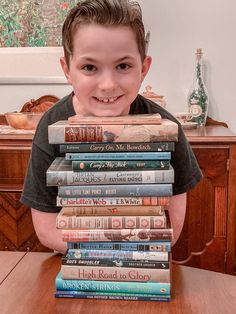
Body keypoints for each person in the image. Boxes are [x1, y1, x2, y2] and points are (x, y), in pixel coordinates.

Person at [20, 0, 202, 254]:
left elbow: (169, 230)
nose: (107, 84)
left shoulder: (167, 129)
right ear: (67, 70)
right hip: (77, 267)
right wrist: (115, 250)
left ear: (144, 68)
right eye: (89, 67)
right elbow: (47, 229)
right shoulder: (51, 127)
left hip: (143, 269)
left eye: (123, 66)